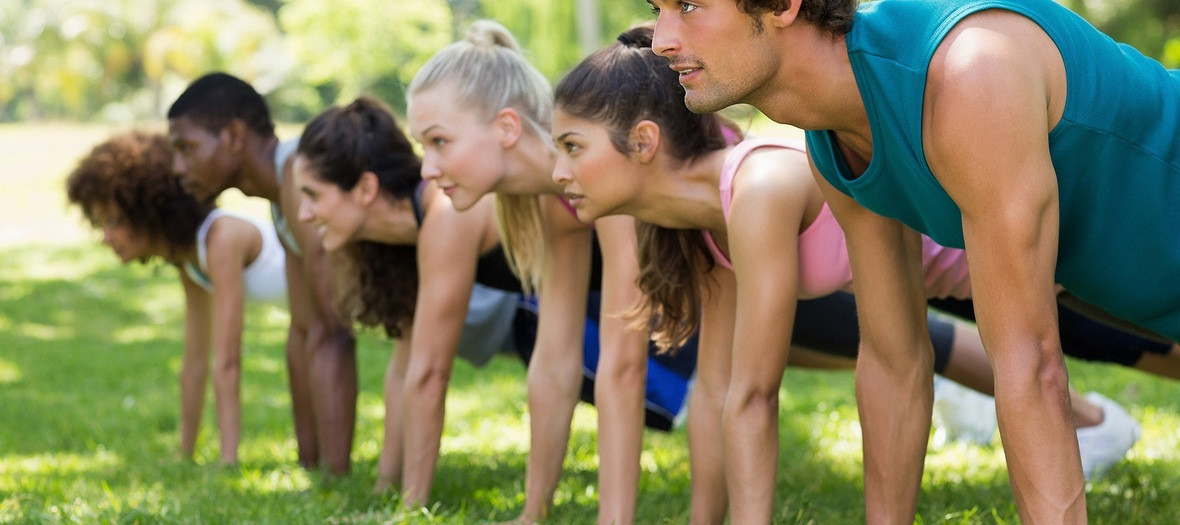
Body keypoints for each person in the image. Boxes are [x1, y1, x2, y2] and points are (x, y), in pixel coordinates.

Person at [552, 24, 1180, 521]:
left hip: (1033, 263)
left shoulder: (762, 187)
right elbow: (728, 388)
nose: (558, 175)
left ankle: (1103, 427)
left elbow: (753, 397)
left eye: (573, 148)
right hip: (997, 275)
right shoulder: (743, 198)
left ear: (644, 141)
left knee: (1136, 347)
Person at [289, 95, 697, 505]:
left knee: (679, 397)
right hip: (588, 289)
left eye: (313, 194)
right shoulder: (411, 231)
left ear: (366, 188)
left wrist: (411, 507)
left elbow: (430, 374)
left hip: (641, 292)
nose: (303, 213)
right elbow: (404, 371)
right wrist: (385, 484)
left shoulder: (446, 211)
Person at [166, 72, 357, 475]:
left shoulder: (299, 176)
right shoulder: (281, 193)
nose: (178, 167)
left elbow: (332, 329)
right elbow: (303, 329)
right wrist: (308, 467)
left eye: (187, 148)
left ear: (234, 136)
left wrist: (335, 483)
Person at [65, 131, 287, 466]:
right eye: (100, 224)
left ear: (147, 211)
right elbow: (195, 361)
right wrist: (185, 453)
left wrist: (228, 461)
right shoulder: (190, 259)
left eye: (113, 222)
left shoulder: (221, 239)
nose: (106, 238)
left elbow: (227, 360)